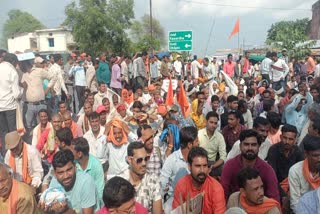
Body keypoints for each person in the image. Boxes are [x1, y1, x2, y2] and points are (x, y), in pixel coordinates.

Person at [221, 129, 280, 202]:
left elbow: (274, 198)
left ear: (259, 146)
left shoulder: (267, 170)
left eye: (254, 145)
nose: (250, 148)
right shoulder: (230, 166)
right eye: (246, 144)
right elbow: (223, 194)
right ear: (240, 146)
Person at [172, 147, 226, 214]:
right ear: (189, 166)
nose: (202, 170)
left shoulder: (216, 188)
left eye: (205, 165)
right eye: (198, 166)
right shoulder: (181, 185)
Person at [160, 126, 199, 213]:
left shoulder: (198, 159)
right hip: (174, 199)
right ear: (189, 145)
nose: (199, 143)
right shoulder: (172, 160)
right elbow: (162, 184)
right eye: (196, 141)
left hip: (194, 197)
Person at [119, 141, 162, 214]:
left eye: (146, 159)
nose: (144, 163)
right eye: (139, 160)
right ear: (129, 159)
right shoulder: (121, 181)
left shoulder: (153, 181)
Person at [267, 125, 304, 194]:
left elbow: (300, 173)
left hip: (292, 185)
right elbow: (272, 175)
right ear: (281, 137)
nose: (287, 141)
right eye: (285, 138)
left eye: (290, 139)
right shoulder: (273, 150)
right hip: (276, 184)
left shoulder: (298, 151)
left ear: (295, 140)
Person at [21, 56, 55, 132]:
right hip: (29, 105)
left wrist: (48, 88)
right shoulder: (24, 75)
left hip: (41, 104)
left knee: (43, 126)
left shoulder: (39, 71)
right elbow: (23, 86)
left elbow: (53, 77)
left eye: (21, 64)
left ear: (26, 63)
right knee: (29, 127)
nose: (20, 66)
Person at [288, 135, 320, 212]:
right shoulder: (295, 171)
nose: (319, 159)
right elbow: (295, 203)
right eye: (316, 156)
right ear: (306, 154)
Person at [0, 53, 23, 154]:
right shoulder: (12, 71)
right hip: (10, 106)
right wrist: (22, 89)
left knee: (3, 132)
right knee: (13, 132)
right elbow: (17, 94)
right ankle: (15, 153)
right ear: (13, 62)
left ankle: (5, 153)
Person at [198, 111, 226, 176]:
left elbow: (223, 157)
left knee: (224, 168)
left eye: (215, 123)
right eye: (211, 122)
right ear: (206, 122)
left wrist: (212, 166)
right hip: (199, 161)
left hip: (213, 164)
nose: (213, 125)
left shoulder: (220, 137)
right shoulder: (199, 134)